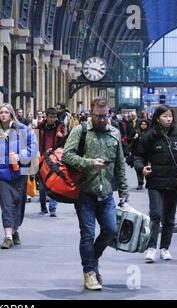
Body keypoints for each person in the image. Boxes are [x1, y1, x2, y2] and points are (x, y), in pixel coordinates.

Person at [62, 97, 128, 290]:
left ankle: (93, 258)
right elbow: (67, 155)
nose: (102, 120)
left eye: (105, 116)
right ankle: (89, 272)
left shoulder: (114, 133)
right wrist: (89, 162)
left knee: (110, 231)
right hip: (85, 192)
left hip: (106, 192)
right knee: (88, 234)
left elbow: (120, 165)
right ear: (91, 113)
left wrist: (123, 190)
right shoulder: (80, 131)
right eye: (99, 116)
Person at [134, 105, 177, 263]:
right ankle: (151, 248)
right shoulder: (150, 136)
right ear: (157, 118)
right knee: (156, 214)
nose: (168, 119)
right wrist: (141, 168)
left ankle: (165, 248)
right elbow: (137, 155)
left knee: (169, 218)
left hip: (174, 180)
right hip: (155, 181)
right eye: (165, 116)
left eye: (170, 116)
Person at [0, 103, 37, 249]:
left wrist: (21, 156)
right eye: (1, 112)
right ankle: (8, 235)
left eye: (6, 112)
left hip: (20, 173)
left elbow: (33, 146)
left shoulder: (23, 129)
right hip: (2, 174)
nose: (3, 115)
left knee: (19, 204)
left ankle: (15, 230)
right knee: (6, 204)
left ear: (11, 114)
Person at [37, 107, 66, 217]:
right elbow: (35, 141)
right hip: (42, 158)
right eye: (50, 117)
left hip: (55, 159)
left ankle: (53, 208)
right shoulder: (40, 127)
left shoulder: (60, 126)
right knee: (42, 186)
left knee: (54, 183)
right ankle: (43, 206)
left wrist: (62, 136)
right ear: (46, 117)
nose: (52, 119)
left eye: (54, 117)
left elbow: (66, 142)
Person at [128, 119, 150, 190]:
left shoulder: (150, 133)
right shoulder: (136, 132)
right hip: (137, 154)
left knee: (148, 168)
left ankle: (148, 182)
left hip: (147, 154)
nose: (143, 125)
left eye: (145, 124)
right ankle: (140, 183)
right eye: (142, 124)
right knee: (138, 168)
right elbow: (130, 141)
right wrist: (134, 138)